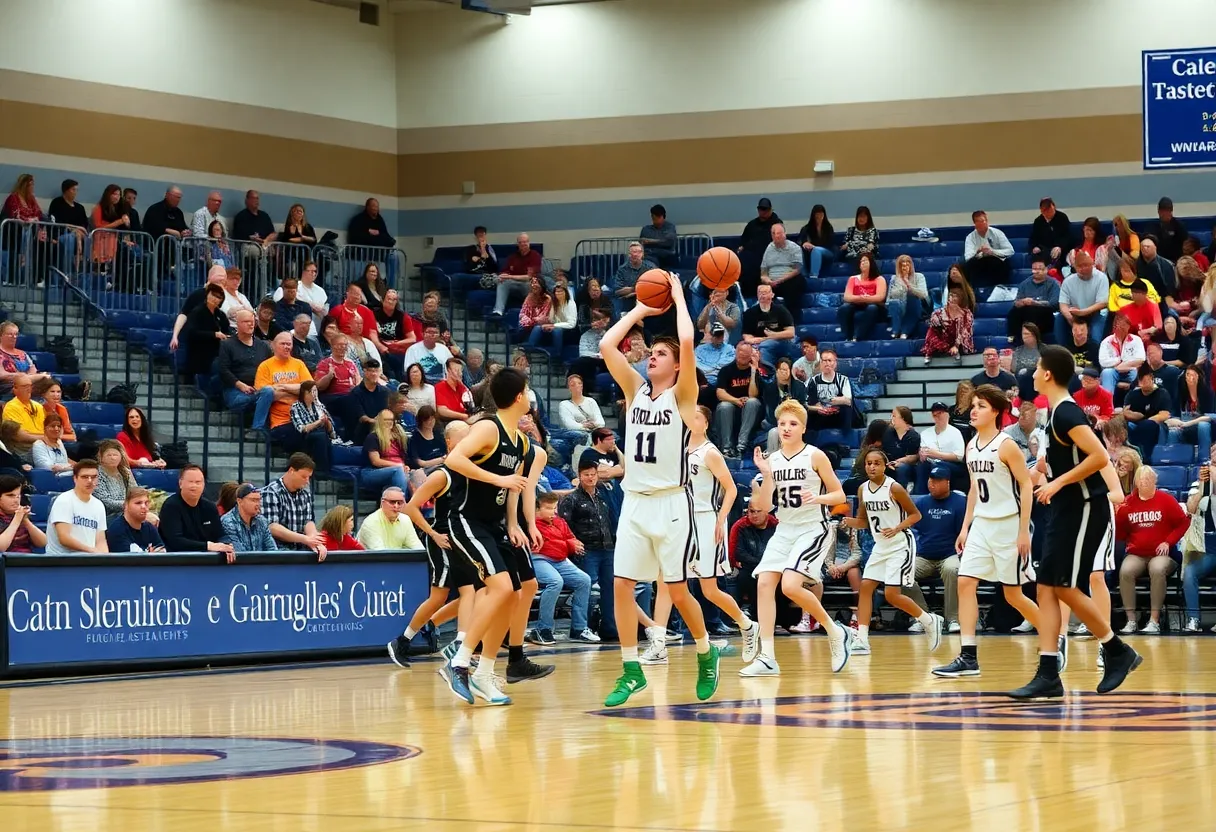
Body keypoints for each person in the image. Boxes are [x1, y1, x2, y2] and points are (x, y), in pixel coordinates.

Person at [589, 272, 721, 708]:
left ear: (677, 364)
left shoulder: (683, 395)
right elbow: (608, 345)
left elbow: (686, 340)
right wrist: (643, 309)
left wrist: (680, 298)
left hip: (672, 503)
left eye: (660, 353)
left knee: (679, 592)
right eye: (651, 352)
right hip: (635, 503)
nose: (651, 357)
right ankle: (631, 671)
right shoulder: (634, 389)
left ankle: (705, 653)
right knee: (622, 584)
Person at [1007, 345, 1140, 700]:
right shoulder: (1054, 414)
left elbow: (1100, 456)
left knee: (1065, 586)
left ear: (1047, 373)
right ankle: (1048, 672)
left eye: (1036, 368)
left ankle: (1116, 650)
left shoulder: (1067, 413)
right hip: (1064, 511)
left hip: (1084, 508)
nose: (1033, 373)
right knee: (1046, 587)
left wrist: (1058, 482)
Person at [439, 368, 552, 706]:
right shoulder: (487, 427)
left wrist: (516, 523)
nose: (530, 395)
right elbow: (454, 458)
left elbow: (516, 485)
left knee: (514, 594)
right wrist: (498, 480)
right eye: (527, 389)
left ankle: (485, 673)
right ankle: (459, 661)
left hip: (494, 524)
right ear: (519, 397)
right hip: (465, 519)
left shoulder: (519, 441)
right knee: (501, 587)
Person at [933, 386, 1040, 678]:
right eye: (973, 406)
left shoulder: (1007, 445)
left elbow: (1027, 487)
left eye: (980, 405)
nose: (973, 410)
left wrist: (1023, 531)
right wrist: (966, 527)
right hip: (981, 524)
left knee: (1013, 595)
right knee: (965, 582)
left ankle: (1054, 637)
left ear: (995, 411)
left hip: (1007, 524)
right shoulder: (971, 445)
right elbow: (973, 490)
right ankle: (968, 656)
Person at [743, 400, 850, 675]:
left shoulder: (815, 455)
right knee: (765, 583)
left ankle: (834, 631)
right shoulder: (773, 460)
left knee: (790, 586)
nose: (787, 428)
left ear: (803, 427)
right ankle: (767, 657)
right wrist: (767, 475)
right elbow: (765, 507)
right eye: (782, 424)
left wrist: (818, 497)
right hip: (785, 529)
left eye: (793, 424)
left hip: (813, 527)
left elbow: (840, 495)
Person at [645, 406, 756, 660]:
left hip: (705, 521)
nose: (690, 420)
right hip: (677, 521)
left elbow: (731, 490)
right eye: (688, 415)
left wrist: (720, 520)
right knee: (665, 582)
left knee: (709, 590)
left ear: (706, 423)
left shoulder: (710, 453)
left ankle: (747, 625)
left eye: (697, 416)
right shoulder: (676, 450)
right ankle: (659, 644)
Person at [389, 421, 480, 667]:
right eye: (463, 438)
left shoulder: (471, 472)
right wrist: (433, 534)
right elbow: (410, 507)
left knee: (473, 593)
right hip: (442, 540)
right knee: (442, 596)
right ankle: (404, 641)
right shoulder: (443, 474)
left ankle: (451, 640)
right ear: (449, 442)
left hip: (461, 540)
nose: (468, 443)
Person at [844, 449, 942, 655]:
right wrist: (846, 521)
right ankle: (861, 639)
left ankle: (928, 619)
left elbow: (916, 515)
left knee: (892, 595)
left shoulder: (894, 488)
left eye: (876, 463)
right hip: (881, 546)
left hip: (900, 544)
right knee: (866, 587)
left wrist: (897, 527)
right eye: (868, 463)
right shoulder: (863, 489)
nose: (871, 466)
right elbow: (863, 522)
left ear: (885, 465)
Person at [1115, 466, 1187, 634]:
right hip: (1137, 553)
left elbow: (1184, 523)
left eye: (1148, 479)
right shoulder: (1129, 502)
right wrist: (1119, 516)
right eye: (1141, 479)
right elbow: (1120, 534)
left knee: (1157, 568)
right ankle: (1131, 620)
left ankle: (1154, 620)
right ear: (1136, 482)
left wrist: (1168, 542)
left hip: (1163, 554)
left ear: (1155, 481)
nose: (1144, 482)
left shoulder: (1166, 500)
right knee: (1125, 570)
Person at [559, 458, 619, 641]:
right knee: (587, 587)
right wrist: (573, 543)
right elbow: (563, 525)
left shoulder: (603, 496)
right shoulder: (571, 499)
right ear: (579, 476)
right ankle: (580, 627)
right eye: (586, 475)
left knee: (610, 588)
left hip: (608, 548)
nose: (591, 478)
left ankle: (610, 628)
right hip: (587, 550)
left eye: (593, 474)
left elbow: (610, 520)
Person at [526, 491, 598, 644]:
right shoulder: (531, 524)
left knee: (584, 580)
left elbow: (572, 538)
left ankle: (579, 629)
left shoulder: (560, 522)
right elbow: (547, 544)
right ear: (537, 510)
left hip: (560, 560)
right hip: (539, 558)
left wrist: (572, 543)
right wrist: (568, 544)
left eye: (554, 508)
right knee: (555, 582)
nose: (553, 512)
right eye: (549, 508)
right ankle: (543, 629)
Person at [903, 465, 966, 633]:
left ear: (947, 483)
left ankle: (952, 619)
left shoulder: (960, 502)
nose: (932, 484)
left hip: (949, 555)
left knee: (953, 570)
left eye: (937, 481)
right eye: (930, 480)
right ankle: (924, 617)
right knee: (902, 573)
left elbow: (964, 532)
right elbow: (913, 530)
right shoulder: (921, 502)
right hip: (925, 556)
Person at [260, 453, 326, 560]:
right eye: (304, 477)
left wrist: (315, 540)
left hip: (301, 549)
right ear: (291, 470)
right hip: (277, 551)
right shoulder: (271, 492)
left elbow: (308, 521)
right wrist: (305, 539)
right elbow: (272, 527)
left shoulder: (305, 494)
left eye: (309, 477)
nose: (307, 481)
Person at [158, 465, 234, 556]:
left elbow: (220, 534)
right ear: (180, 483)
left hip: (208, 561)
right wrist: (208, 546)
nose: (194, 486)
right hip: (178, 561)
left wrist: (226, 546)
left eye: (198, 482)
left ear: (204, 485)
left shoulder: (210, 507)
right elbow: (175, 542)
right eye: (190, 482)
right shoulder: (170, 506)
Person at [44, 460, 108, 555]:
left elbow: (101, 540)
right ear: (75, 478)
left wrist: (104, 558)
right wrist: (92, 551)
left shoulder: (99, 505)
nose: (90, 481)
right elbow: (64, 538)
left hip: (88, 559)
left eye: (94, 477)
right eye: (85, 477)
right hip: (61, 560)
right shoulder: (64, 500)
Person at [256, 332, 312, 438]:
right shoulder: (265, 366)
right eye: (283, 344)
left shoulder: (299, 364)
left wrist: (283, 387)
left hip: (302, 416)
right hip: (280, 421)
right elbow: (266, 395)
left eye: (289, 344)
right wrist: (297, 391)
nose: (287, 347)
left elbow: (310, 390)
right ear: (273, 345)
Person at [712, 343, 763, 459]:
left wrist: (754, 371)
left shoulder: (755, 371)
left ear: (751, 355)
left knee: (752, 402)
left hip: (751, 410)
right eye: (741, 353)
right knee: (724, 405)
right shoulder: (726, 370)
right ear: (736, 352)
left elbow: (752, 394)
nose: (743, 356)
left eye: (746, 354)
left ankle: (741, 446)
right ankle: (727, 448)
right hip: (732, 406)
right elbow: (720, 393)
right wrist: (735, 400)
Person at [1185, 447, 1216, 631]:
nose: (1213, 454)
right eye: (1212, 452)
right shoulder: (1200, 482)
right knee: (1190, 572)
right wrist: (1202, 487)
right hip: (1209, 549)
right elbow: (1190, 508)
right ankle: (1193, 619)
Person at [1057, 250, 1110, 346]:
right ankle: (1062, 351)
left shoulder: (1101, 278)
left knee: (1097, 327)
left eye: (1086, 265)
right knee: (1059, 319)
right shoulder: (1068, 281)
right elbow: (1063, 304)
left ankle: (1095, 350)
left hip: (1094, 313)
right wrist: (1071, 318)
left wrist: (1083, 312)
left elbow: (1103, 303)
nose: (1083, 268)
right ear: (1075, 267)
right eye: (1080, 266)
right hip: (1074, 314)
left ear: (1092, 264)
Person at [756, 357, 808, 452]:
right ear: (777, 371)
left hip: (794, 421)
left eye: (786, 370)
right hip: (774, 421)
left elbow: (802, 408)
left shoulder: (799, 387)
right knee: (773, 431)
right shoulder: (770, 388)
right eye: (781, 370)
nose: (784, 372)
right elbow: (770, 411)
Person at [739, 283, 795, 369]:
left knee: (765, 346)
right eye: (760, 292)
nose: (762, 295)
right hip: (758, 343)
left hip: (781, 342)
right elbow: (747, 334)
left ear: (772, 295)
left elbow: (791, 333)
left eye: (765, 292)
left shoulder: (781, 310)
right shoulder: (750, 313)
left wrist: (772, 336)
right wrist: (751, 340)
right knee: (743, 348)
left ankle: (768, 373)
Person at [1121, 365, 1170, 462]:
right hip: (1136, 423)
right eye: (1142, 381)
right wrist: (1139, 416)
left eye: (1147, 380)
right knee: (1123, 424)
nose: (1145, 383)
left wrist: (1145, 420)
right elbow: (1125, 413)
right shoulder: (1132, 394)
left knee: (1148, 425)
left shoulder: (1162, 393)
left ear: (1152, 379)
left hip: (1156, 425)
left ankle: (1146, 457)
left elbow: (1164, 414)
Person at [183, 283, 230, 383]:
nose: (215, 299)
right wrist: (214, 335)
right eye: (212, 295)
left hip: (217, 352)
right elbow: (191, 333)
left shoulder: (221, 315)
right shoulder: (197, 312)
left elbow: (227, 331)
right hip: (199, 352)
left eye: (218, 297)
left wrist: (228, 336)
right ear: (207, 295)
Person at [836, 252, 887, 342]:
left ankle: (858, 336)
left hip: (875, 306)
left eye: (865, 261)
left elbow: (879, 297)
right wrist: (863, 298)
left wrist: (861, 298)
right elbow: (847, 297)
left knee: (872, 308)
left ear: (871, 263)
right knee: (844, 308)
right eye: (861, 261)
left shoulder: (879, 279)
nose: (863, 263)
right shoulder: (853, 278)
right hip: (856, 304)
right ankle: (848, 336)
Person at [287, 380, 338, 467]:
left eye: (316, 391)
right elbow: (302, 428)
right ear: (305, 393)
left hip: (321, 433)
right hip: (303, 437)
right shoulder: (296, 407)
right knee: (321, 436)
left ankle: (326, 468)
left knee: (324, 436)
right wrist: (318, 422)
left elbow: (331, 428)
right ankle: (322, 469)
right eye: (313, 391)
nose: (315, 394)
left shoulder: (319, 405)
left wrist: (326, 422)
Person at [917, 402, 966, 492]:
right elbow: (924, 452)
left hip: (951, 464)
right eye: (935, 414)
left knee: (938, 465)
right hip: (931, 462)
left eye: (940, 413)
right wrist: (922, 454)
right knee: (922, 466)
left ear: (947, 415)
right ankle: (920, 495)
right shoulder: (925, 433)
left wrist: (937, 454)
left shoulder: (955, 432)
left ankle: (939, 493)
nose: (938, 416)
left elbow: (959, 456)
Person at [357, 486, 424, 551]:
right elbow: (380, 554)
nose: (396, 506)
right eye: (392, 502)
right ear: (382, 502)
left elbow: (418, 549)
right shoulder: (371, 522)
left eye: (400, 503)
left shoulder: (406, 519)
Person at [1007, 260, 1060, 343]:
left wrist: (1035, 303)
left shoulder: (1054, 284)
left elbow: (1054, 304)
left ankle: (1033, 340)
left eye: (1040, 269)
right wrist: (1021, 302)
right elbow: (1016, 302)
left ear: (1046, 269)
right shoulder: (1024, 284)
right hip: (1026, 314)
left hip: (1046, 315)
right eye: (1034, 269)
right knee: (1014, 311)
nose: (1037, 271)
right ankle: (1014, 339)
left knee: (1033, 310)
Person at [220, 483, 278, 554]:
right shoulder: (228, 522)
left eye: (259, 500)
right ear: (239, 501)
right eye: (253, 500)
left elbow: (273, 550)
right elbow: (240, 554)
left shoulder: (262, 521)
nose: (258, 504)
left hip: (261, 563)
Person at [362, 409, 411, 494]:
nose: (389, 422)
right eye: (386, 420)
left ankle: (421, 506)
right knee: (398, 471)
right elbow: (375, 461)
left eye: (391, 419)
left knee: (418, 475)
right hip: (373, 472)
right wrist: (398, 465)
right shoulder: (373, 437)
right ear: (380, 421)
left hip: (397, 470)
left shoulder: (398, 438)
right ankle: (400, 502)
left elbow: (401, 459)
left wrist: (404, 466)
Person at [921, 289, 974, 364]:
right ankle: (931, 352)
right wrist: (937, 319)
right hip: (943, 339)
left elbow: (964, 331)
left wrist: (956, 345)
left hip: (958, 340)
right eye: (951, 296)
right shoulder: (939, 312)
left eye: (956, 297)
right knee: (932, 329)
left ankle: (955, 350)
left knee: (956, 326)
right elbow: (933, 321)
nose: (952, 299)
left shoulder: (966, 313)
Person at [106, 487, 166, 553]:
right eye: (138, 503)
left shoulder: (149, 527)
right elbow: (126, 562)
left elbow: (162, 554)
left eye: (146, 503)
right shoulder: (117, 530)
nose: (143, 506)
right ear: (126, 505)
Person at [806, 349, 854, 431]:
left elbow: (848, 400)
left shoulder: (843, 380)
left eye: (830, 360)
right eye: (824, 360)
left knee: (847, 409)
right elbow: (804, 403)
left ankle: (846, 437)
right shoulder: (812, 381)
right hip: (819, 414)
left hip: (837, 414)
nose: (827, 363)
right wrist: (818, 409)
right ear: (820, 363)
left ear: (835, 363)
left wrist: (834, 401)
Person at [963, 210, 1015, 286]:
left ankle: (1001, 288)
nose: (983, 223)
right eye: (979, 222)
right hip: (979, 261)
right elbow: (968, 257)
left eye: (984, 221)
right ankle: (972, 290)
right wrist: (978, 252)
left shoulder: (997, 233)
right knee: (967, 266)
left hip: (996, 260)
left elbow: (1010, 251)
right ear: (975, 224)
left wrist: (992, 251)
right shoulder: (970, 237)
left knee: (1001, 265)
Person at [887, 254, 929, 339]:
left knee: (912, 297)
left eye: (907, 264)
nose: (904, 267)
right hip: (900, 306)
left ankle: (905, 332)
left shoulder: (919, 276)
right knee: (894, 303)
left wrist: (908, 284)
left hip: (917, 306)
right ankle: (896, 330)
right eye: (902, 265)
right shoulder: (894, 278)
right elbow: (890, 297)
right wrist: (901, 281)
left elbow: (923, 294)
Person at [759, 223, 805, 303]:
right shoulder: (769, 249)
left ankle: (791, 313)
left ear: (785, 234)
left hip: (788, 280)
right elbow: (763, 273)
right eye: (774, 234)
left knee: (797, 282)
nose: (777, 236)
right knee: (761, 286)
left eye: (779, 233)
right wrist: (768, 281)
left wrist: (780, 280)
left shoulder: (794, 248)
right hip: (771, 282)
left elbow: (797, 270)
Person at [0, 474, 45, 553]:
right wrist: (17, 519)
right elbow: (1, 548)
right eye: (10, 496)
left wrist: (26, 521)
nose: (16, 500)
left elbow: (43, 543)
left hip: (26, 560)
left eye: (18, 496)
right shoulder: (17, 516)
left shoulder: (20, 515)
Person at [556, 373, 604, 446]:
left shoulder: (591, 401)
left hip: (593, 430)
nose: (577, 386)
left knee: (611, 435)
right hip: (575, 433)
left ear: (582, 386)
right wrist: (584, 426)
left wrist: (593, 424)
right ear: (568, 388)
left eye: (579, 383)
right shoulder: (564, 404)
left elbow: (601, 422)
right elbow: (569, 425)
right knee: (581, 436)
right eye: (573, 384)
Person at [1028, 197, 1073, 269]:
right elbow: (1034, 238)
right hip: (1045, 250)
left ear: (1054, 207)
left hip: (1061, 249)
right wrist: (1035, 247)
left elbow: (1068, 236)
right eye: (1045, 211)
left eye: (1050, 210)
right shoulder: (1038, 221)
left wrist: (1060, 246)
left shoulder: (1062, 218)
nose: (1048, 213)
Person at [882, 406, 921, 489]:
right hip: (889, 463)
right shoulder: (888, 433)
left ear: (903, 419)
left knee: (902, 468)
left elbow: (913, 457)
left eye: (894, 416)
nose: (891, 418)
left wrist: (897, 462)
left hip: (907, 465)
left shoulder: (913, 436)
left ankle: (900, 493)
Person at [798, 204, 835, 277]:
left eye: (821, 214)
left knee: (816, 250)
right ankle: (804, 274)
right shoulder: (806, 228)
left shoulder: (828, 228)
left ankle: (814, 275)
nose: (819, 217)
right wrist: (805, 243)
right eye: (817, 214)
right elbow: (801, 241)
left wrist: (814, 246)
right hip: (810, 252)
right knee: (800, 250)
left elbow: (830, 244)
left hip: (827, 252)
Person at [434, 357, 474, 424]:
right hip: (449, 422)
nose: (459, 373)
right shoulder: (440, 387)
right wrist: (463, 416)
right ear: (448, 370)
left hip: (465, 420)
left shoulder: (462, 387)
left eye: (460, 370)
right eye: (456, 370)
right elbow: (442, 411)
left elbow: (470, 405)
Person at [639, 204, 677, 269]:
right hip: (649, 255)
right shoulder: (646, 229)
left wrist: (650, 241)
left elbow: (668, 242)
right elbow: (641, 241)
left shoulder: (670, 228)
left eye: (658, 218)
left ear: (663, 217)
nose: (655, 221)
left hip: (666, 256)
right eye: (654, 218)